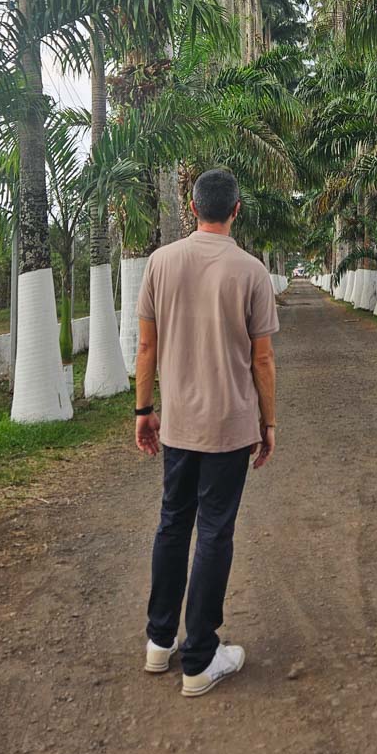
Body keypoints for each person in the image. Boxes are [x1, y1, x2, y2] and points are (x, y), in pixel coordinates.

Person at [134, 168, 278, 697]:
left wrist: (143, 410)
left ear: (193, 208)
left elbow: (146, 347)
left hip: (177, 424)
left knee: (173, 524)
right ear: (236, 210)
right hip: (230, 427)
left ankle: (159, 642)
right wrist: (268, 423)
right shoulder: (251, 271)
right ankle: (199, 658)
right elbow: (263, 360)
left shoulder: (160, 262)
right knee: (214, 531)